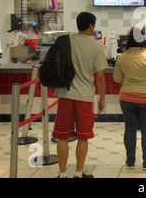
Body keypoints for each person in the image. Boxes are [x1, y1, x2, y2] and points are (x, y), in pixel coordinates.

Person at [52, 12, 108, 178]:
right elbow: (99, 76)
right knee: (83, 137)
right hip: (84, 96)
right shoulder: (95, 46)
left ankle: (62, 175)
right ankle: (78, 173)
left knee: (62, 136)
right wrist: (102, 98)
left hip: (65, 93)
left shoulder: (66, 40)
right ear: (91, 26)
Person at [113, 27, 146, 170]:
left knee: (129, 129)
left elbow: (117, 79)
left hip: (127, 97)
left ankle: (130, 161)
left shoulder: (121, 58)